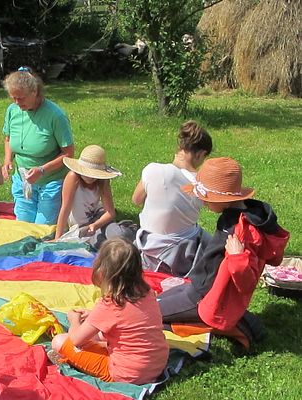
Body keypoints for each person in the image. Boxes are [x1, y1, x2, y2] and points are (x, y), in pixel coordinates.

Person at [157, 157, 289, 340]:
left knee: (149, 314)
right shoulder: (236, 216)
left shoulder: (242, 230)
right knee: (154, 299)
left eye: (206, 198)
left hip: (206, 296)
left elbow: (247, 283)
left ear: (224, 199)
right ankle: (236, 316)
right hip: (199, 285)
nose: (203, 203)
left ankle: (237, 323)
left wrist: (237, 257)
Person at [48, 238, 169, 385]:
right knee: (98, 336)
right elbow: (124, 320)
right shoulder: (147, 293)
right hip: (157, 364)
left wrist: (73, 320)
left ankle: (76, 362)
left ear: (103, 271)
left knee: (59, 341)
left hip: (127, 374)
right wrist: (93, 316)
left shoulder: (110, 303)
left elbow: (76, 340)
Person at [132, 121, 214, 277]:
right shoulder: (201, 185)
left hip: (148, 245)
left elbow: (136, 199)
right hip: (182, 254)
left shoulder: (153, 170)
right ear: (200, 154)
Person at [1, 66, 75, 224]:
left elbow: (68, 153)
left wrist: (42, 170)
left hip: (50, 182)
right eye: (13, 98)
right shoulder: (12, 110)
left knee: (42, 232)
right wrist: (8, 159)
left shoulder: (56, 116)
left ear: (34, 92)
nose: (16, 102)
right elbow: (7, 138)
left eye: (20, 98)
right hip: (23, 181)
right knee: (23, 228)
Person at [55, 145, 130, 249]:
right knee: (102, 245)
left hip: (98, 219)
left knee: (119, 235)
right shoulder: (73, 178)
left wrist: (95, 225)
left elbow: (110, 212)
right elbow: (65, 208)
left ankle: (132, 234)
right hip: (81, 228)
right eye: (87, 174)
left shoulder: (102, 181)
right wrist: (57, 238)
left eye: (94, 175)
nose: (90, 178)